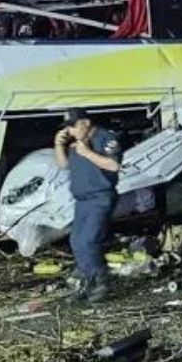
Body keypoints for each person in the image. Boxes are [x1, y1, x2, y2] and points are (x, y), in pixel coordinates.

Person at [54, 108, 123, 304]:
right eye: (67, 127)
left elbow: (114, 165)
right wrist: (58, 146)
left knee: (88, 241)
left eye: (73, 126)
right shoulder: (76, 143)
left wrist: (87, 152)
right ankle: (86, 281)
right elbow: (63, 165)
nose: (70, 131)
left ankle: (101, 281)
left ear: (86, 123)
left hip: (99, 197)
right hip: (81, 199)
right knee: (76, 241)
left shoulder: (106, 138)